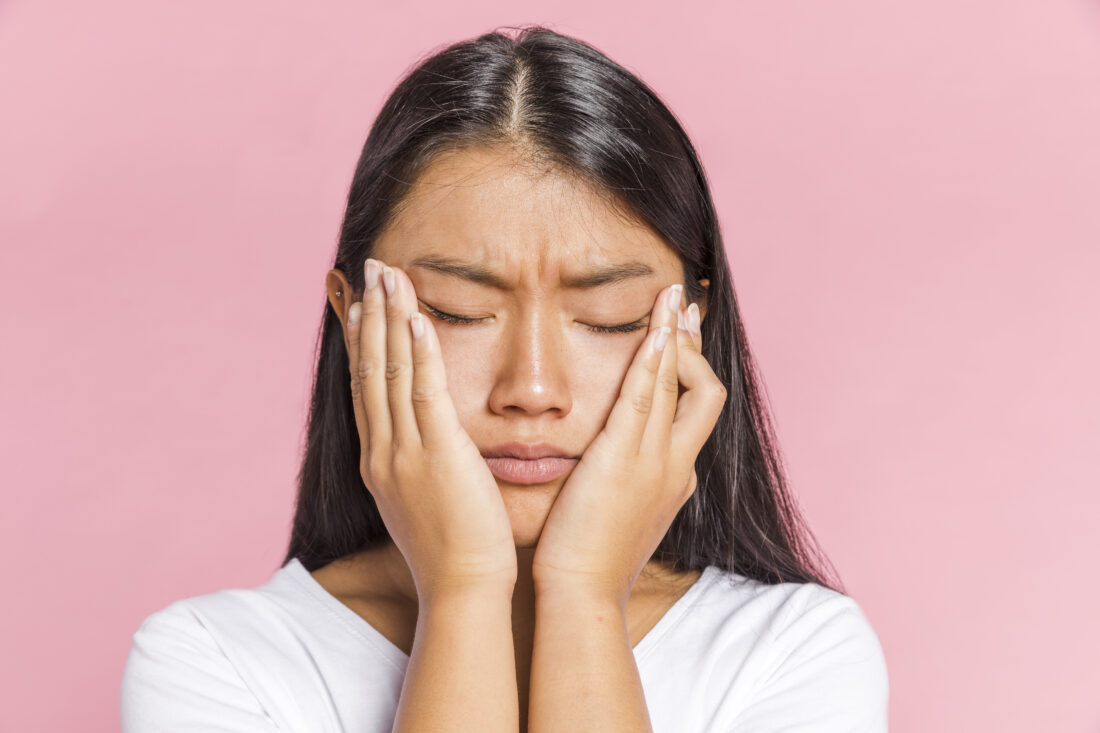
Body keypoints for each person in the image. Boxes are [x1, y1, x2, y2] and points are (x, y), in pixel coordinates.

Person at [120, 25, 889, 732]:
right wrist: (462, 589)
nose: (530, 387)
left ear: (692, 325)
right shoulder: (213, 661)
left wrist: (584, 589)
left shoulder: (794, 653)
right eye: (457, 311)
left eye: (610, 316)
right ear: (353, 316)